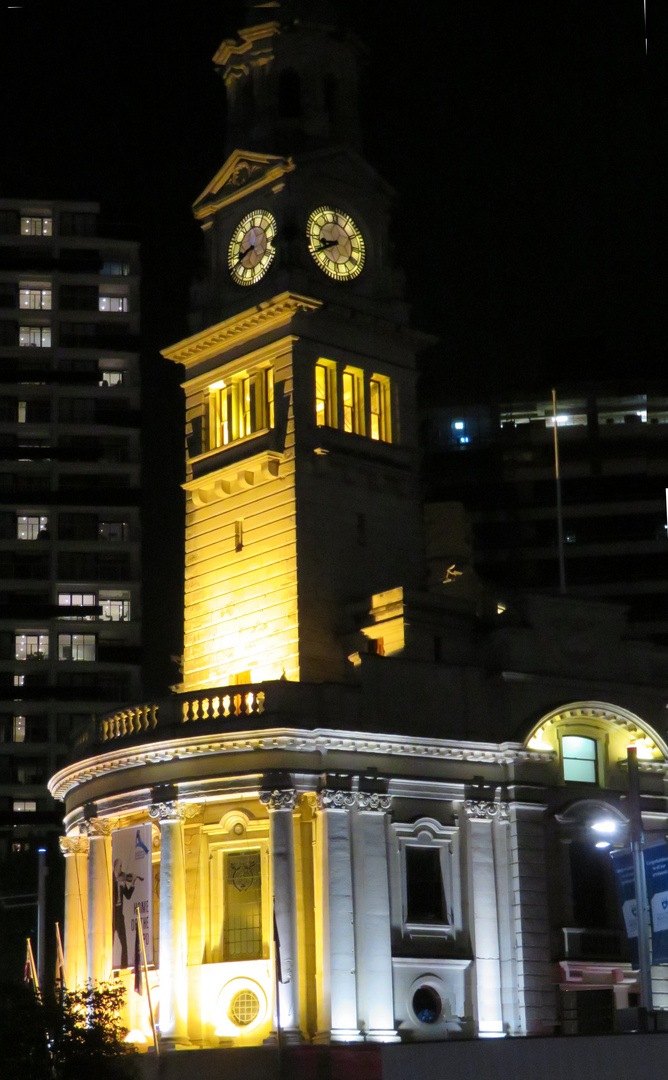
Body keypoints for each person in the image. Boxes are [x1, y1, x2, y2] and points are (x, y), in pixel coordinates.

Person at [112, 858, 137, 969]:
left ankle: (124, 967)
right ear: (116, 867)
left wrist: (132, 883)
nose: (121, 869)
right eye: (120, 866)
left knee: (124, 943)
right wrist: (117, 883)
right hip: (112, 916)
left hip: (120, 914)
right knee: (110, 942)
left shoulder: (121, 880)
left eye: (122, 866)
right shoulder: (110, 879)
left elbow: (127, 895)